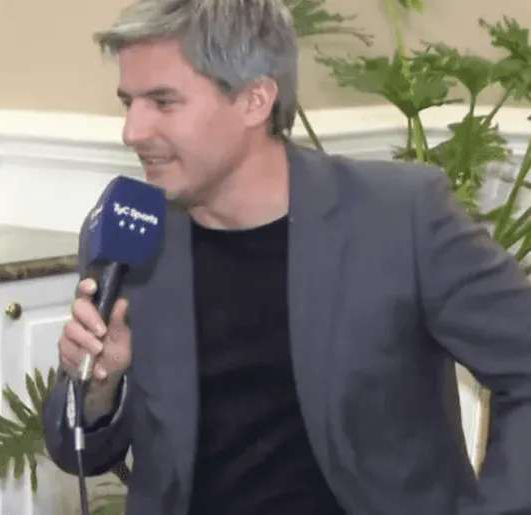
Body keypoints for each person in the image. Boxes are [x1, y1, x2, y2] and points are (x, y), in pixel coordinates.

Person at [44, 0, 531, 513]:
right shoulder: (129, 235)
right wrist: (99, 386)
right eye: (129, 103)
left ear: (255, 100)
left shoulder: (400, 218)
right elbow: (78, 452)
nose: (132, 132)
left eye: (163, 102)